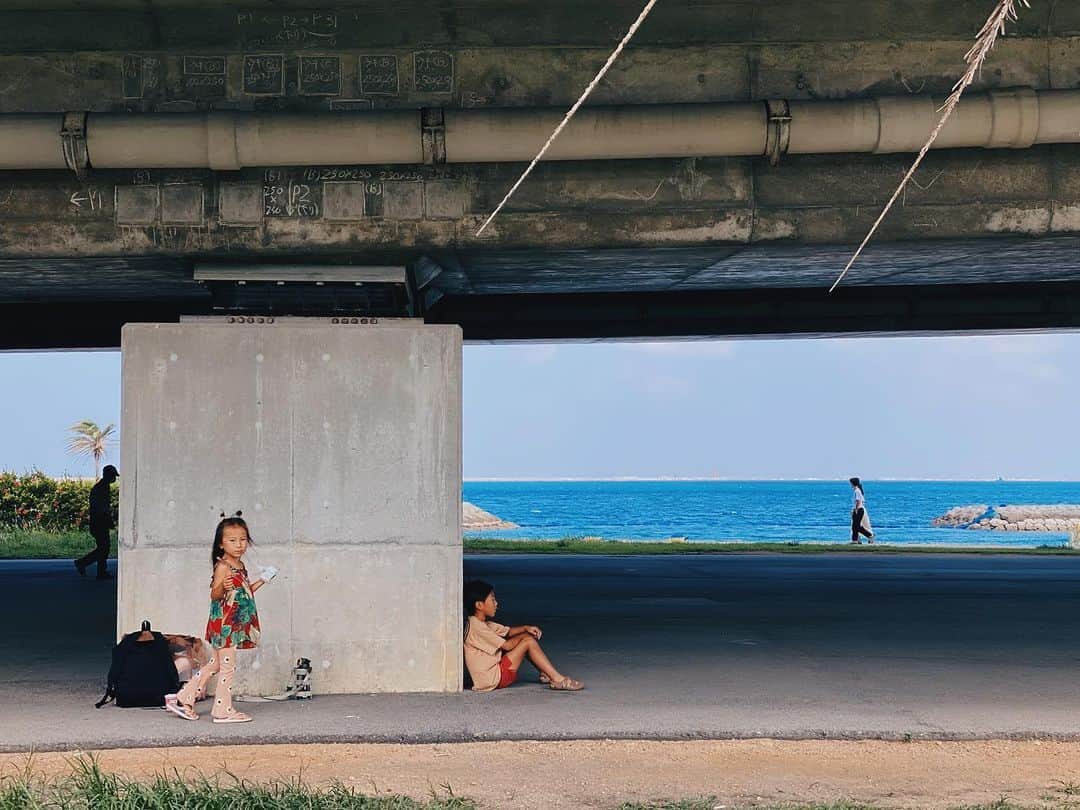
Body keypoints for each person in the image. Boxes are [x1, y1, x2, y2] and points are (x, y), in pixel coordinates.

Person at [165, 512, 274, 723]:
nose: (239, 545)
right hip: (225, 623)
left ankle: (185, 696)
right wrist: (222, 587)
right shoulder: (223, 566)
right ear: (221, 544)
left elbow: (244, 592)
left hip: (233, 622)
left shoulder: (239, 566)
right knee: (227, 667)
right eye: (232, 540)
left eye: (243, 540)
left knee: (216, 664)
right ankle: (222, 710)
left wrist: (263, 580)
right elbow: (214, 593)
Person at [463, 580, 583, 692]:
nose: (496, 603)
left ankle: (545, 672)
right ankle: (558, 679)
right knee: (528, 642)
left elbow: (508, 631)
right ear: (479, 605)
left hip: (494, 672)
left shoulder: (481, 623)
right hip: (494, 679)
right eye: (492, 600)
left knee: (526, 639)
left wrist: (526, 628)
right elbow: (507, 646)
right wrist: (526, 635)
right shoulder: (477, 627)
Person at [75, 464, 118, 579]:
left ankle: (93, 568)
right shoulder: (102, 488)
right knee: (104, 548)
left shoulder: (102, 487)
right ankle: (86, 565)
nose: (114, 478)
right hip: (99, 522)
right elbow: (101, 507)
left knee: (103, 548)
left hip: (98, 521)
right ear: (108, 475)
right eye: (113, 476)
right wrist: (108, 520)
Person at [849, 476, 874, 544]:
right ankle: (855, 540)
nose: (850, 485)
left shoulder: (857, 491)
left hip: (859, 510)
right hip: (859, 509)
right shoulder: (858, 490)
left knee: (857, 526)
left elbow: (858, 501)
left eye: (850, 483)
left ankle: (869, 535)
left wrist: (855, 510)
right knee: (854, 526)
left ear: (853, 483)